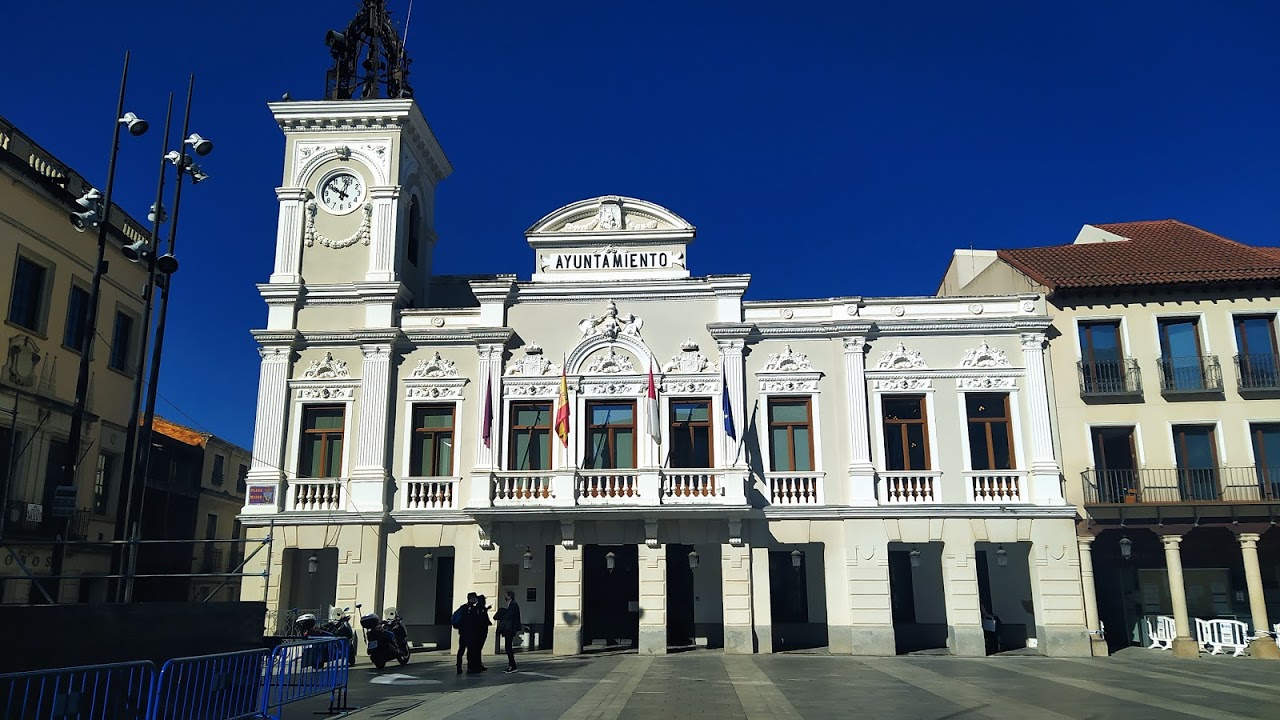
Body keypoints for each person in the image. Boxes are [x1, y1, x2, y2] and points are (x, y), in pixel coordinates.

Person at [495, 590, 523, 673]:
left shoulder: (513, 605)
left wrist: (502, 611)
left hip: (509, 630)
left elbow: (509, 616)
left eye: (506, 596)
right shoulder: (512, 605)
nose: (505, 598)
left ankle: (512, 666)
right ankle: (512, 665)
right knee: (508, 647)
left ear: (509, 596)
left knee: (508, 648)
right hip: (509, 629)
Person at [467, 594, 492, 673]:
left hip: (480, 631)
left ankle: (478, 665)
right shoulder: (477, 608)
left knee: (478, 649)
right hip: (478, 632)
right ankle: (474, 665)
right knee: (475, 649)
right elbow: (481, 620)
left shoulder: (480, 608)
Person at [454, 592, 477, 674]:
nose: (475, 599)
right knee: (470, 650)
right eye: (474, 598)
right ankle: (470, 667)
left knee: (461, 650)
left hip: (462, 632)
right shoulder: (473, 609)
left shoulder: (463, 607)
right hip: (469, 633)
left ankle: (459, 666)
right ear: (471, 599)